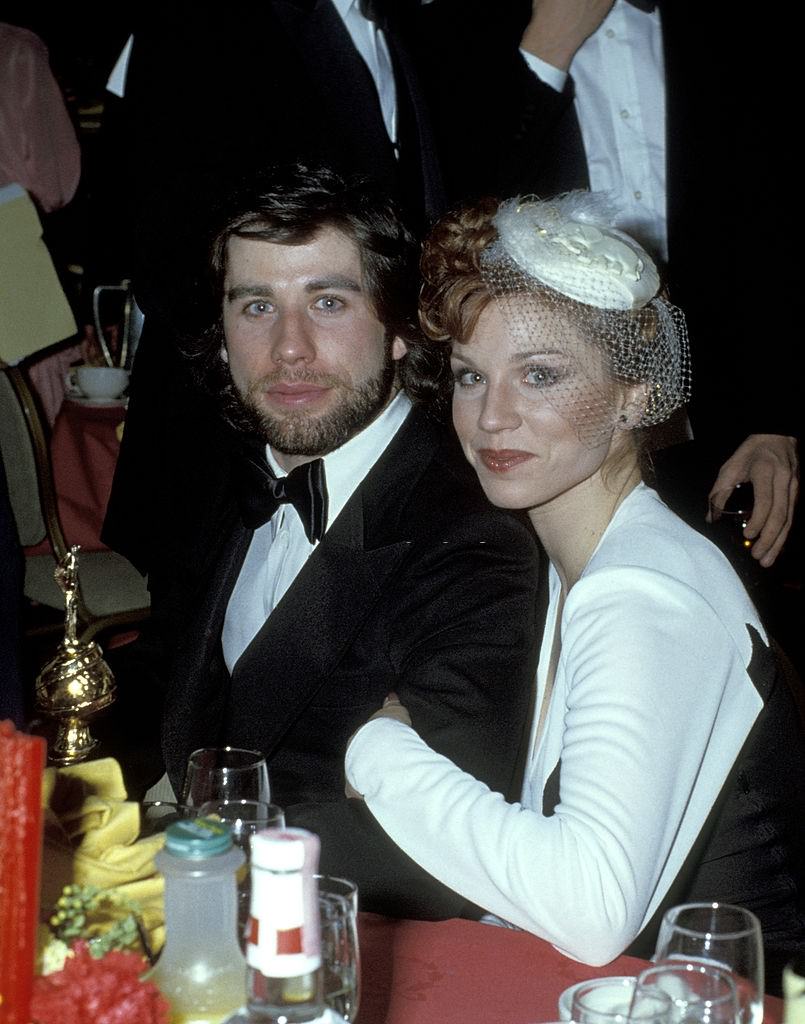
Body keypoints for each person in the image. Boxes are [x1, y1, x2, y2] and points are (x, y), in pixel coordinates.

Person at [344, 191, 805, 991]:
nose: (492, 416)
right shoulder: (596, 557)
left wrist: (379, 752)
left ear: (633, 395)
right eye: (468, 376)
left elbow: (590, 910)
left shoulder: (639, 590)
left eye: (540, 375)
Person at [117, 164, 540, 919]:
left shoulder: (475, 538)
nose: (287, 349)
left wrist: (186, 861)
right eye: (255, 306)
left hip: (349, 936)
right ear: (218, 337)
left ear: (404, 331)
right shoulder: (228, 476)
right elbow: (167, 676)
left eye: (328, 301)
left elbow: (437, 842)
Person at [420, 0, 799, 568]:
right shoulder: (455, 30)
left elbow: (769, 233)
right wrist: (544, 51)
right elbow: (454, 231)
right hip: (542, 446)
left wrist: (774, 421)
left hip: (723, 445)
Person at [100, 0, 445, 577]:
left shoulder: (409, 25)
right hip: (226, 463)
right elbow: (166, 251)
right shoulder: (198, 19)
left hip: (388, 448)